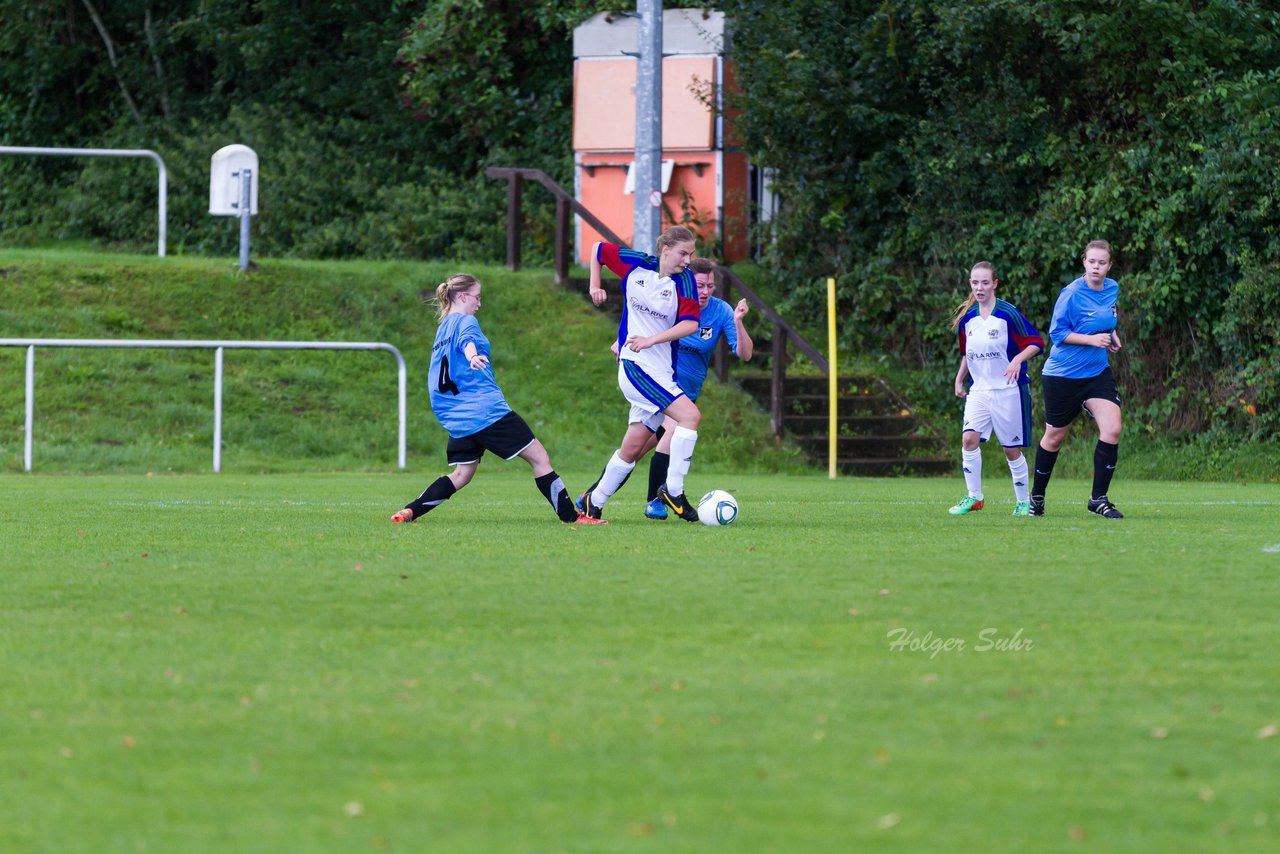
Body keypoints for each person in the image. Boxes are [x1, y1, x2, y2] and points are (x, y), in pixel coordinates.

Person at [391, 273, 603, 525]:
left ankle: (410, 511)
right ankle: (572, 517)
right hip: (485, 411)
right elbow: (467, 341)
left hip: (456, 415)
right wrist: (472, 356)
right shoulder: (465, 321)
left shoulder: (442, 329)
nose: (479, 303)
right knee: (540, 459)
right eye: (477, 297)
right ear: (463, 296)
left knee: (462, 474)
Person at [579, 257, 754, 519]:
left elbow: (745, 354)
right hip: (659, 383)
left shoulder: (720, 311)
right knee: (676, 428)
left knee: (635, 448)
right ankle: (660, 498)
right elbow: (644, 315)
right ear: (687, 283)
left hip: (684, 391)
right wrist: (622, 339)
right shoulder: (673, 300)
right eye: (699, 285)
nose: (704, 291)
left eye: (710, 286)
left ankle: (592, 497)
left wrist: (739, 322)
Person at [578, 225, 704, 522]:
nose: (688, 260)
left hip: (661, 373)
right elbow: (598, 250)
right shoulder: (636, 263)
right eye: (683, 253)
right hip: (635, 368)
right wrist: (595, 284)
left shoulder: (684, 281)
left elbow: (690, 325)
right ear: (665, 249)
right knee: (690, 416)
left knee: (632, 448)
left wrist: (651, 340)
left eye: (691, 254)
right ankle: (673, 490)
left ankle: (592, 502)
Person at [1030, 239, 1125, 519]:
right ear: (1084, 262)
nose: (1096, 267)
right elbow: (1057, 334)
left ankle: (1098, 499)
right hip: (1063, 376)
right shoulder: (1071, 293)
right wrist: (1093, 340)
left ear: (1109, 265)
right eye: (1091, 261)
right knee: (1055, 436)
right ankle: (1036, 497)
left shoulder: (1112, 288)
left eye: (1102, 262)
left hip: (1096, 374)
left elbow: (1107, 319)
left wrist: (1112, 335)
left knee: (1113, 429)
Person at [947, 261, 1044, 517]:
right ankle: (974, 497)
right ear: (970, 283)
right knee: (969, 439)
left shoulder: (1008, 314)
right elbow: (967, 354)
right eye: (975, 282)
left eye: (985, 282)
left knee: (1010, 449)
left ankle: (1024, 501)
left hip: (1008, 391)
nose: (980, 287)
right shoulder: (968, 320)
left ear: (995, 284)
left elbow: (1036, 342)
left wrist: (1017, 360)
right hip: (979, 391)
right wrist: (959, 379)